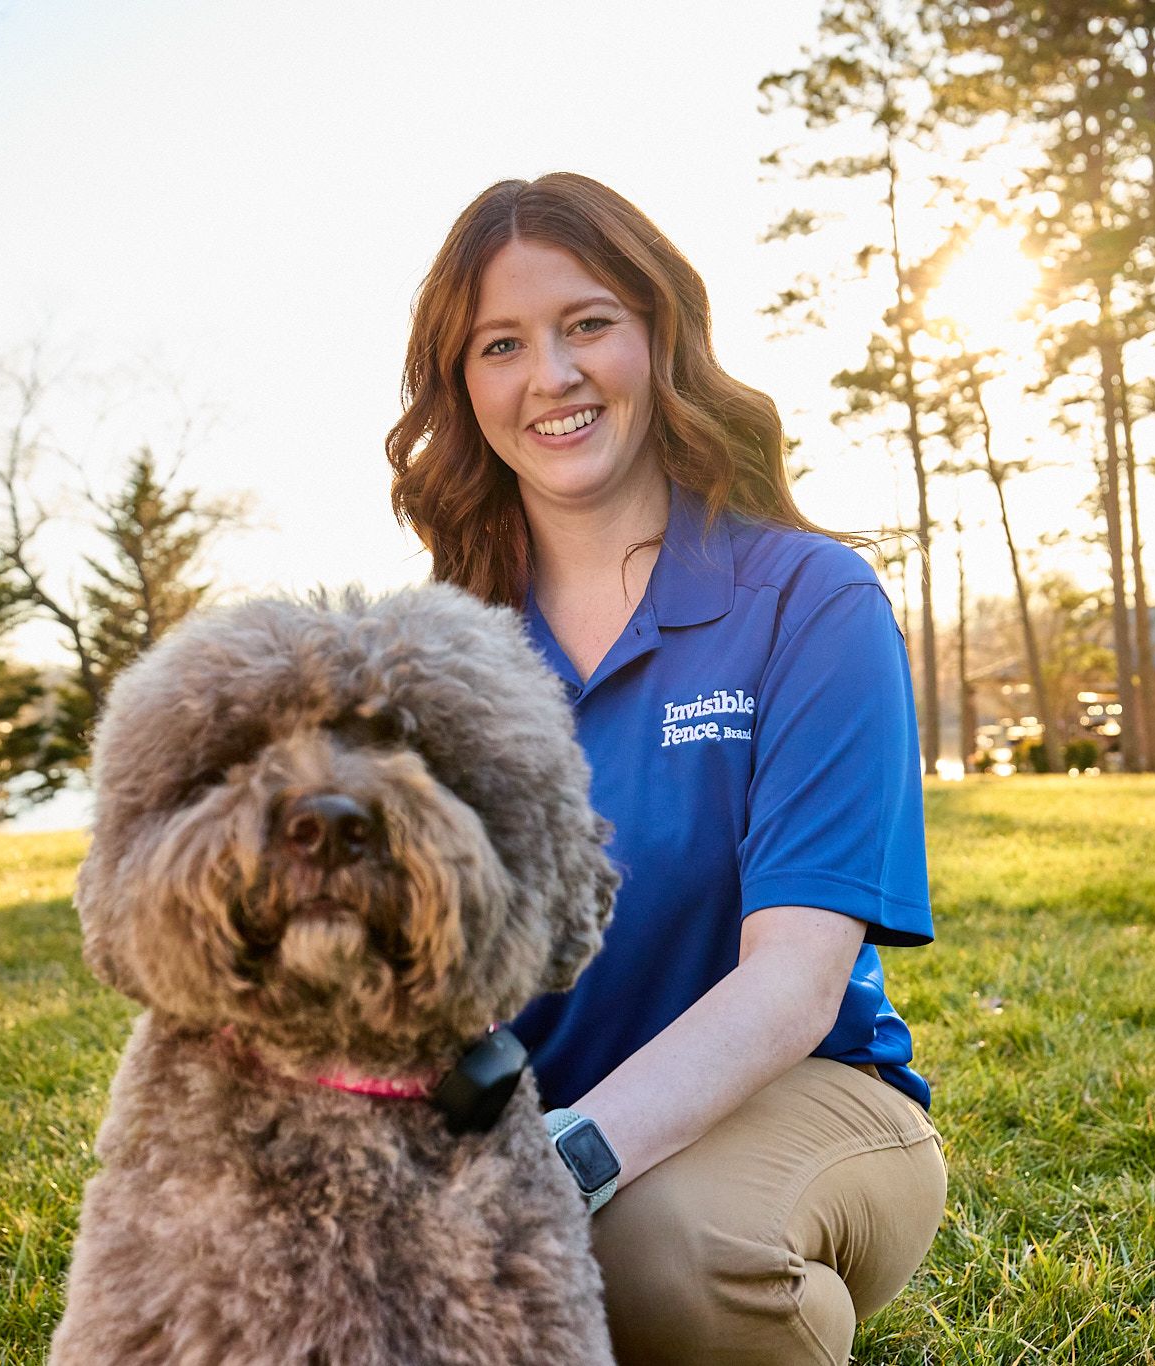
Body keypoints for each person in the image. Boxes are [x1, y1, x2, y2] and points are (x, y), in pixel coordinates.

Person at [386, 172, 945, 1366]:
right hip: (515, 1121)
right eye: (501, 344)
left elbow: (793, 982)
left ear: (660, 334)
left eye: (588, 323)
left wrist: (561, 1163)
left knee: (662, 1252)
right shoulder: (442, 650)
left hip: (803, 1099)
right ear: (462, 385)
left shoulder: (807, 601)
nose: (553, 375)